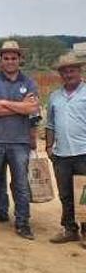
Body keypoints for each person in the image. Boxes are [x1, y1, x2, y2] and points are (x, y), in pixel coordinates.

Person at [0, 40, 40, 240]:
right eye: (6, 58)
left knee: (20, 184)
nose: (10, 61)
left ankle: (23, 223)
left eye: (14, 58)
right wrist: (18, 106)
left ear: (20, 59)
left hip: (20, 141)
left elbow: (31, 109)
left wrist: (2, 102)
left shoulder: (28, 82)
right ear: (1, 60)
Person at [46, 53, 86, 246]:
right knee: (65, 194)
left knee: (84, 193)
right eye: (64, 71)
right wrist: (48, 146)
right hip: (61, 153)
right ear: (60, 74)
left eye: (72, 70)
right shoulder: (55, 96)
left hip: (83, 152)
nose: (68, 74)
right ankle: (69, 229)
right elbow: (51, 124)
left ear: (80, 71)